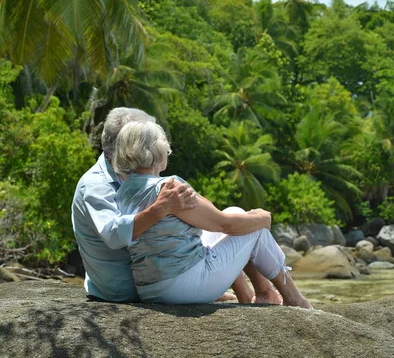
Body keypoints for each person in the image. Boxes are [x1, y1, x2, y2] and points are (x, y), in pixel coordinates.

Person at [113, 120, 312, 308]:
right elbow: (225, 225)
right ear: (157, 150)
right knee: (254, 228)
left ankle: (262, 293)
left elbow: (214, 213)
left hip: (149, 288)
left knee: (235, 212)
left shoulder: (123, 191)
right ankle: (294, 298)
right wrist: (264, 218)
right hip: (183, 285)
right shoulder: (170, 188)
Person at [71, 108, 199, 302]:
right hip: (124, 288)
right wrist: (161, 209)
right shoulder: (95, 185)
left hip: (150, 275)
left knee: (228, 225)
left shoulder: (132, 174)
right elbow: (113, 234)